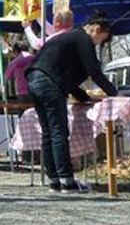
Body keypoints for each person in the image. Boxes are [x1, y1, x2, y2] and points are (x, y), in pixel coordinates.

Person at [25, 13, 118, 193]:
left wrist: (85, 97)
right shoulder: (83, 39)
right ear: (97, 30)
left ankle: (54, 180)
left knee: (48, 133)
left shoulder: (71, 38)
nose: (97, 44)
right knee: (59, 132)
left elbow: (66, 78)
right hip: (48, 82)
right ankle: (67, 180)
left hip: (34, 79)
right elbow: (94, 71)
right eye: (100, 40)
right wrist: (115, 93)